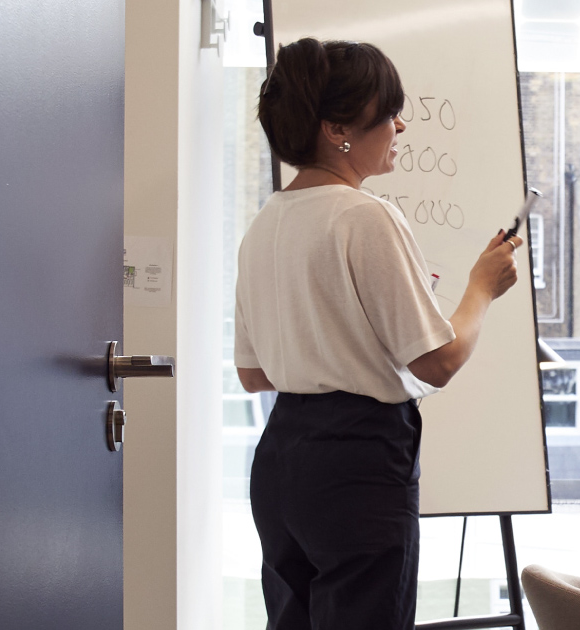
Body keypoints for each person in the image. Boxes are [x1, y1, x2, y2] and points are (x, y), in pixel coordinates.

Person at [235, 38, 522, 630]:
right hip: (357, 461)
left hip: (283, 457)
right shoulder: (364, 215)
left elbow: (253, 373)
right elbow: (437, 362)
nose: (402, 125)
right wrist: (481, 288)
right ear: (337, 128)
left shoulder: (265, 223)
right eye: (388, 112)